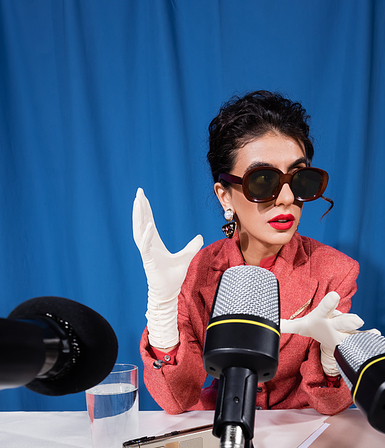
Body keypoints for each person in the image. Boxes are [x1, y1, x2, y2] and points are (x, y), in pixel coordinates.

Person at [133, 90, 364, 415]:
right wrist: (161, 312)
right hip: (215, 429)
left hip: (297, 432)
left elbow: (329, 406)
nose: (285, 198)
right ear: (225, 196)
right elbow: (176, 399)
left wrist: (331, 361)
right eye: (263, 180)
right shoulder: (192, 272)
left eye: (299, 178)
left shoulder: (334, 271)